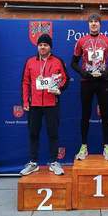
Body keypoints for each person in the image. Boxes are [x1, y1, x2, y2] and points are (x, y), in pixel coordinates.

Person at [71, 13, 108, 160]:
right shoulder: (81, 41)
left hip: (102, 82)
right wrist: (83, 73)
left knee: (105, 115)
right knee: (85, 115)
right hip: (87, 82)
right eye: (91, 22)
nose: (93, 24)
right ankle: (84, 147)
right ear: (88, 25)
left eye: (96, 22)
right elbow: (73, 63)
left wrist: (107, 73)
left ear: (100, 24)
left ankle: (106, 147)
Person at [20, 33, 69, 175]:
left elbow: (65, 79)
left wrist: (59, 88)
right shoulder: (30, 62)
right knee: (33, 133)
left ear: (50, 47)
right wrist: (25, 101)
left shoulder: (57, 61)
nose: (43, 47)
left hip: (51, 103)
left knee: (52, 133)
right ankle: (33, 162)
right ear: (37, 47)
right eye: (40, 45)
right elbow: (25, 82)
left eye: (45, 45)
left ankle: (53, 162)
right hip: (34, 104)